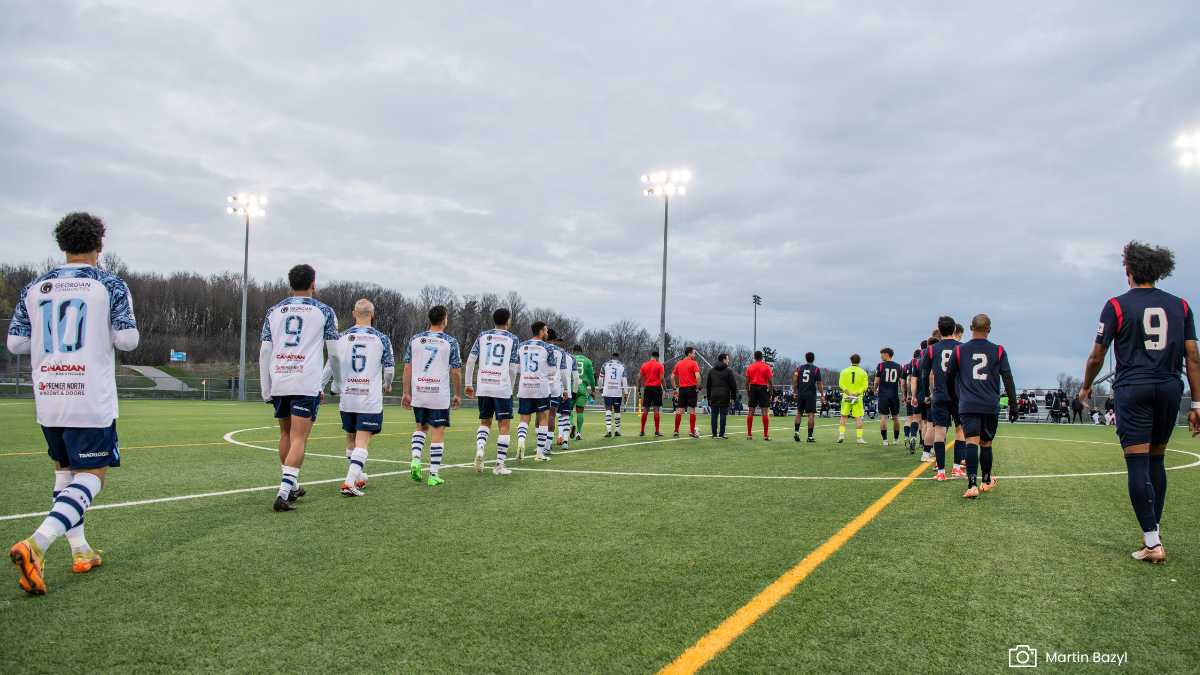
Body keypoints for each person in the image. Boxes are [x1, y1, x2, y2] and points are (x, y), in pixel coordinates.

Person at [7, 213, 139, 595]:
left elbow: (15, 344)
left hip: (48, 392)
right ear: (100, 245)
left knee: (63, 471)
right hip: (89, 394)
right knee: (93, 477)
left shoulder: (34, 286)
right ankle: (37, 543)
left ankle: (81, 551)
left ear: (62, 245)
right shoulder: (109, 284)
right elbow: (128, 339)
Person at [1079, 241, 1200, 563]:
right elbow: (1193, 357)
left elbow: (1097, 354)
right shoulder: (1182, 306)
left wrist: (1086, 386)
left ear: (1129, 270)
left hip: (1134, 388)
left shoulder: (1116, 305)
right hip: (1170, 387)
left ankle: (1152, 542)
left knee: (1137, 461)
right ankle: (1153, 532)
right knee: (1157, 460)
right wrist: (1197, 404)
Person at [259, 263, 340, 512]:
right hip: (305, 381)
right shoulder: (324, 311)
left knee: (285, 435)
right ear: (313, 282)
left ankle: (291, 486)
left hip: (280, 379)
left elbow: (264, 351)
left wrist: (265, 387)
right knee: (299, 438)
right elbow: (334, 354)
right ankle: (284, 493)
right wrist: (336, 381)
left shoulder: (274, 311)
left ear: (290, 283)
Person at [325, 299, 393, 496]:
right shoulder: (382, 338)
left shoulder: (341, 337)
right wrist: (387, 384)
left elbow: (330, 365)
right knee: (362, 440)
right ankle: (348, 482)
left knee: (350, 438)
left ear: (354, 313)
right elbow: (388, 369)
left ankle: (358, 476)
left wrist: (322, 387)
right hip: (368, 398)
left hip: (348, 397)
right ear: (372, 315)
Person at [945, 314, 1017, 499]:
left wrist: (956, 397)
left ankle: (971, 485)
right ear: (989, 329)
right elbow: (1007, 378)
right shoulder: (999, 350)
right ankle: (985, 481)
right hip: (989, 404)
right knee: (986, 443)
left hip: (968, 403)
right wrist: (1013, 404)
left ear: (971, 327)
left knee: (971, 442)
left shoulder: (960, 351)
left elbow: (949, 377)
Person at [401, 305, 462, 486]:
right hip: (439, 394)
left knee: (420, 427)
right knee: (438, 431)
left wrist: (405, 392)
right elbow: (456, 371)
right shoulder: (450, 341)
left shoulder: (415, 339)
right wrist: (458, 394)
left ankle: (415, 459)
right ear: (444, 319)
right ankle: (433, 474)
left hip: (420, 391)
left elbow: (407, 367)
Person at [463, 308, 520, 476]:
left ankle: (480, 450)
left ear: (493, 320)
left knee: (485, 422)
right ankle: (499, 466)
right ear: (508, 321)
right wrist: (511, 385)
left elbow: (471, 360)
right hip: (501, 386)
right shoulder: (512, 339)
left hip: (484, 385)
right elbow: (513, 367)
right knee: (504, 424)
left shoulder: (482, 336)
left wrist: (468, 384)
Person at [926, 317, 961, 480]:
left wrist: (928, 393)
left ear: (939, 331)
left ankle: (940, 472)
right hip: (959, 396)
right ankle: (956, 468)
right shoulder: (963, 348)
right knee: (960, 430)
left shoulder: (931, 349)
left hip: (940, 395)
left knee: (939, 432)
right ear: (954, 329)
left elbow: (925, 374)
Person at [515, 321, 556, 460]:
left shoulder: (521, 346)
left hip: (525, 386)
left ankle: (521, 441)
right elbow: (552, 370)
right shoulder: (547, 348)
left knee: (524, 418)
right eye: (545, 330)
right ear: (540, 331)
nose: (547, 333)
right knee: (543, 418)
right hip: (541, 387)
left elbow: (516, 367)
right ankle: (539, 452)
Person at [547, 331, 576, 452]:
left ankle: (547, 443)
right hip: (565, 389)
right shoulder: (570, 358)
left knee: (551, 415)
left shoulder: (547, 351)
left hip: (551, 388)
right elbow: (576, 377)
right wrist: (572, 391)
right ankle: (564, 440)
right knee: (563, 415)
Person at [874, 348, 905, 447]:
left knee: (883, 417)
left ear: (887, 354)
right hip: (894, 395)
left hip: (883, 395)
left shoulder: (881, 365)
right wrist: (904, 394)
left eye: (882, 354)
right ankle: (896, 439)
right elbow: (901, 382)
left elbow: (876, 381)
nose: (881, 356)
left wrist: (875, 389)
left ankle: (885, 440)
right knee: (896, 418)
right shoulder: (899, 366)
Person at [671, 346, 703, 439]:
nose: (694, 355)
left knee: (679, 410)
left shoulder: (679, 363)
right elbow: (698, 377)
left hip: (682, 389)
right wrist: (697, 387)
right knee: (692, 410)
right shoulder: (694, 363)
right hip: (692, 389)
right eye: (694, 353)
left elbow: (672, 377)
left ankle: (676, 431)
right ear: (689, 353)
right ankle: (692, 431)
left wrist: (674, 388)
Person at [837, 354, 869, 444]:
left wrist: (848, 392)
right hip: (857, 397)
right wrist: (857, 393)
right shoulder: (863, 372)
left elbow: (841, 384)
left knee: (843, 416)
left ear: (850, 360)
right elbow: (865, 386)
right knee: (858, 417)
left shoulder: (844, 371)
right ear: (859, 361)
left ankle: (841, 435)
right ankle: (859, 438)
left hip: (846, 396)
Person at [792, 352, 824, 442]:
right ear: (813, 359)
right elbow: (819, 383)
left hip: (801, 393)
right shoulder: (816, 369)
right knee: (811, 414)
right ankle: (810, 437)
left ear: (806, 358)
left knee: (799, 413)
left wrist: (794, 391)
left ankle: (796, 432)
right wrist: (822, 395)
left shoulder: (799, 368)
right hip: (810, 394)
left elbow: (794, 380)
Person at [705, 353, 738, 438]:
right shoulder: (729, 371)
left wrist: (708, 397)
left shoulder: (711, 371)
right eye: (727, 359)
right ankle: (721, 434)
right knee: (723, 415)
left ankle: (714, 434)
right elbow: (733, 386)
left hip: (714, 395)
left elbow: (708, 386)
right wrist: (733, 397)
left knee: (714, 415)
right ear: (723, 360)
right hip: (725, 395)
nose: (728, 360)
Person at [909, 341, 932, 460]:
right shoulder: (932, 356)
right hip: (929, 395)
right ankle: (926, 447)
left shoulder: (917, 362)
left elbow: (913, 380)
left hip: (918, 395)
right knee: (928, 424)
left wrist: (913, 396)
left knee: (916, 419)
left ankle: (913, 436)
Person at [745, 351, 774, 440]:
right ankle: (765, 435)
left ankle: (749, 435)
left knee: (751, 411)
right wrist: (771, 392)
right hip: (763, 388)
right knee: (764, 411)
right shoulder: (766, 367)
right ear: (762, 357)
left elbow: (747, 382)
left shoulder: (750, 367)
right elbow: (770, 381)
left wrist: (748, 392)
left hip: (753, 388)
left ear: (754, 357)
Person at [570, 345, 596, 440]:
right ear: (581, 351)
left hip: (571, 387)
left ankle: (571, 424)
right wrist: (593, 390)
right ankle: (578, 433)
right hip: (582, 388)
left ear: (573, 351)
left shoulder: (569, 358)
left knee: (567, 411)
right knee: (580, 411)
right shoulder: (588, 361)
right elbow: (592, 378)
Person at [598, 352, 627, 437]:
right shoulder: (622, 366)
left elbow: (600, 378)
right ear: (618, 358)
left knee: (608, 410)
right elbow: (624, 380)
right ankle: (617, 431)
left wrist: (600, 388)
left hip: (607, 391)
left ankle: (609, 431)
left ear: (611, 357)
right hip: (617, 392)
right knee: (617, 410)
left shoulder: (605, 365)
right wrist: (625, 392)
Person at [638, 350, 666, 437]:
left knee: (645, 409)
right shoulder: (659, 365)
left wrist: (638, 388)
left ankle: (642, 431)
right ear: (657, 357)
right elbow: (661, 378)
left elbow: (639, 378)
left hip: (647, 388)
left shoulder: (644, 365)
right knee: (656, 409)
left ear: (651, 356)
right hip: (656, 388)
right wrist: (665, 388)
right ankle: (657, 431)